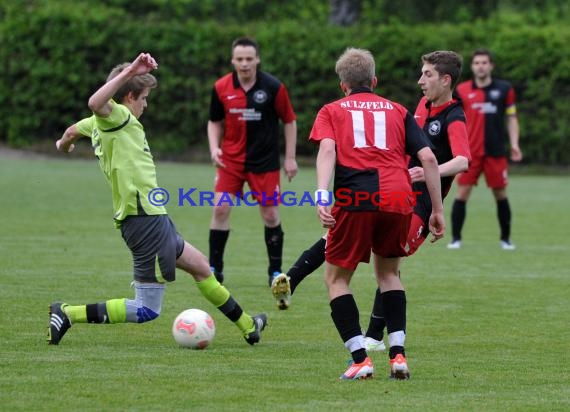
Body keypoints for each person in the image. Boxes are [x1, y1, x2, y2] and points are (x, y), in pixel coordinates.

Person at [48, 53, 267, 346]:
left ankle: (248, 326)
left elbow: (72, 130)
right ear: (128, 96)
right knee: (146, 308)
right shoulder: (118, 116)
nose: (145, 104)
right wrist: (129, 73)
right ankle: (67, 313)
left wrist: (64, 145)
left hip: (151, 217)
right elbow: (95, 103)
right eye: (143, 98)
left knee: (201, 266)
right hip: (144, 220)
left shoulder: (99, 124)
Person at [272, 51, 470, 354]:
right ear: (374, 80)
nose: (420, 80)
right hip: (397, 193)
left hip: (413, 200)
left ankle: (373, 336)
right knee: (383, 264)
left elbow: (461, 160)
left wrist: (425, 176)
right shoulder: (412, 108)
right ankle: (392, 349)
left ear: (446, 80)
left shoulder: (454, 116)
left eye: (427, 74)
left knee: (378, 264)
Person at [310, 47, 445, 380]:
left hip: (356, 196)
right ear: (374, 80)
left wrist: (322, 194)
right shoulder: (399, 110)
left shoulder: (331, 110)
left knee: (336, 279)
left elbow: (327, 148)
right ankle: (398, 355)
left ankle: (360, 359)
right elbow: (428, 159)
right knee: (389, 274)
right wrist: (437, 210)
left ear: (343, 84)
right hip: (399, 197)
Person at [207, 36, 298, 287]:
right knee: (220, 209)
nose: (244, 64)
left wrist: (289, 158)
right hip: (230, 162)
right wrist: (214, 148)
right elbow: (214, 121)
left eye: (249, 58)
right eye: (240, 59)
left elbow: (289, 121)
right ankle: (215, 270)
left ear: (257, 59)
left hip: (265, 163)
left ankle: (275, 271)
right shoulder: (221, 87)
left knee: (270, 214)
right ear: (232, 60)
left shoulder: (273, 87)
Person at [448, 48, 522, 250]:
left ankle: (505, 240)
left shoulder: (505, 89)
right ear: (472, 67)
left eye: (484, 63)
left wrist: (514, 144)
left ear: (491, 66)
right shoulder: (461, 90)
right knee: (461, 194)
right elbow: (453, 120)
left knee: (501, 194)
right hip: (469, 154)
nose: (480, 66)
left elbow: (512, 118)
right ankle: (455, 239)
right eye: (477, 63)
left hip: (495, 152)